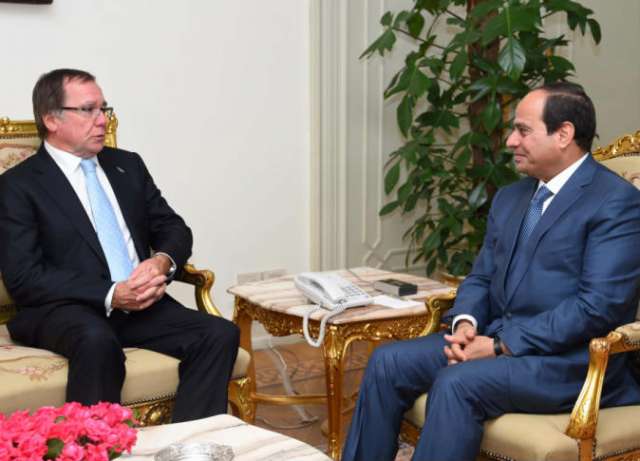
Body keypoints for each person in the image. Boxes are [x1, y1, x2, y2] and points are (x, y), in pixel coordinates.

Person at [342, 82, 640, 461]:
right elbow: (481, 276)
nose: (511, 141)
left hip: (569, 363)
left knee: (456, 383)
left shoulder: (616, 202)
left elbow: (596, 307)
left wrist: (500, 346)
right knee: (388, 362)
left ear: (563, 134)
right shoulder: (512, 197)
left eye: (523, 130)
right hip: (495, 338)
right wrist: (465, 324)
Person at [0, 68, 240, 423]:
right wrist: (111, 293)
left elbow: (173, 227)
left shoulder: (127, 165)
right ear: (51, 119)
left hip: (139, 305)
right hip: (65, 309)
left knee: (219, 333)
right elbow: (25, 276)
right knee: (96, 341)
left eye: (104, 109)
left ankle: (186, 443)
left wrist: (161, 261)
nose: (102, 120)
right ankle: (93, 444)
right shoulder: (18, 185)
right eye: (88, 110)